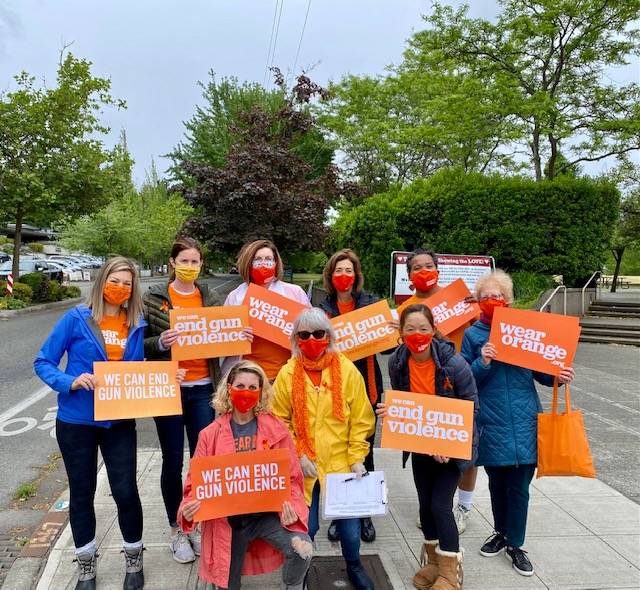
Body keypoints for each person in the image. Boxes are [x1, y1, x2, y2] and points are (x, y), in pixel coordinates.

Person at [34, 257, 149, 590]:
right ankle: (86, 565)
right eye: (115, 280)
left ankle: (134, 559)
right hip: (77, 421)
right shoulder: (76, 319)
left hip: (119, 422)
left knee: (126, 491)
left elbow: (142, 366)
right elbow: (43, 362)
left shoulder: (137, 323)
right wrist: (69, 380)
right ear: (102, 281)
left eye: (128, 283)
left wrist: (165, 377)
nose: (121, 288)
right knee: (82, 493)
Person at [461, 270, 575, 577]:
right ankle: (500, 532)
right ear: (477, 301)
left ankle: (516, 543)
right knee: (497, 483)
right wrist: (481, 361)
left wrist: (557, 377)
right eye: (485, 296)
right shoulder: (472, 336)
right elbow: (465, 380)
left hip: (525, 420)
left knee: (520, 487)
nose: (492, 301)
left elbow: (542, 373)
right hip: (491, 419)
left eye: (497, 295)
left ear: (508, 300)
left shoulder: (526, 330)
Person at [177, 361, 312, 590]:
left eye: (252, 387)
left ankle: (292, 586)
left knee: (303, 551)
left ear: (261, 393)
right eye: (240, 385)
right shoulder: (209, 435)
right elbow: (195, 486)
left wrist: (293, 511)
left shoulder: (276, 430)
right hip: (229, 522)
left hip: (266, 516)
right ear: (229, 388)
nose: (246, 392)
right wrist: (189, 510)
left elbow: (292, 479)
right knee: (226, 583)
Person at [272, 308, 376, 590]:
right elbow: (279, 420)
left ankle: (354, 565)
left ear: (328, 336)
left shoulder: (346, 369)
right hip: (304, 464)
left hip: (342, 463)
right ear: (296, 339)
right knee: (307, 527)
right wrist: (298, 454)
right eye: (304, 335)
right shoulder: (287, 373)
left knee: (350, 530)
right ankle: (301, 570)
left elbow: (362, 417)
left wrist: (357, 458)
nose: (312, 340)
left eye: (319, 333)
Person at [379, 303, 478, 590]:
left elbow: (472, 407)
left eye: (423, 328)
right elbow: (404, 399)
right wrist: (393, 413)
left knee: (440, 505)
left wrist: (450, 444)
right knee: (425, 505)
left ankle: (451, 571)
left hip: (452, 449)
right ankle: (433, 564)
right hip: (421, 445)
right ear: (401, 333)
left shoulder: (454, 363)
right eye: (410, 329)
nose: (417, 334)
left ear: (434, 330)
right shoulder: (397, 361)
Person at [143, 236, 222, 563]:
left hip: (203, 388)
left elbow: (223, 336)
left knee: (203, 462)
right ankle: (177, 529)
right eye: (184, 261)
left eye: (195, 262)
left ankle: (199, 523)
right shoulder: (154, 297)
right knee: (172, 461)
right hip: (169, 390)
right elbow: (140, 346)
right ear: (172, 262)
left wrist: (239, 335)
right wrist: (160, 343)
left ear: (201, 265)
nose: (190, 267)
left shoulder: (211, 297)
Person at [397, 248, 478, 534]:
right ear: (408, 276)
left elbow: (481, 330)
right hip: (425, 389)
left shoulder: (460, 300)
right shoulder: (404, 309)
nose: (423, 271)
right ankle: (434, 506)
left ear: (438, 269)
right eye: (416, 268)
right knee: (428, 455)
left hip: (459, 382)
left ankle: (462, 507)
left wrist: (477, 305)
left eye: (428, 266)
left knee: (465, 454)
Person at [318, 248, 383, 544]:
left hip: (365, 387)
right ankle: (340, 514)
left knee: (363, 451)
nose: (344, 276)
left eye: (349, 271)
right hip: (331, 389)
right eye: (338, 271)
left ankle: (364, 513)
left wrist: (391, 329)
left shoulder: (370, 304)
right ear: (330, 276)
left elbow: (390, 348)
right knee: (335, 454)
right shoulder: (320, 306)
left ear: (356, 276)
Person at [221, 239, 310, 381]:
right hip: (247, 378)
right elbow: (222, 338)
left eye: (268, 259)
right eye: (257, 259)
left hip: (284, 375)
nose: (263, 263)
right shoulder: (236, 296)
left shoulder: (294, 292)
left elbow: (311, 330)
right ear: (249, 263)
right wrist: (237, 335)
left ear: (276, 263)